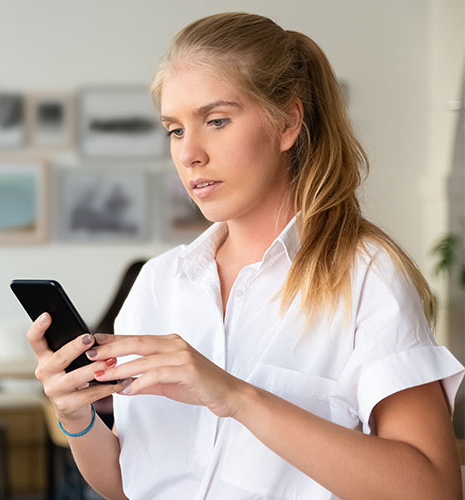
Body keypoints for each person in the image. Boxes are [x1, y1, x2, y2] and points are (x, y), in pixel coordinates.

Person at [26, 12, 465, 500]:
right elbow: (126, 487)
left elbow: (434, 488)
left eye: (216, 121)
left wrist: (234, 395)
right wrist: (77, 417)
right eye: (174, 129)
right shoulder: (160, 282)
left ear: (288, 124)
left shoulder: (366, 276)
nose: (189, 153)